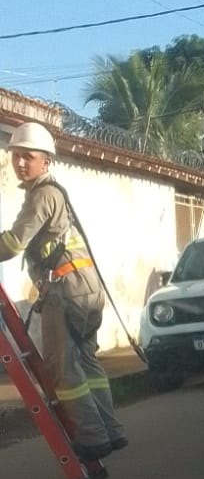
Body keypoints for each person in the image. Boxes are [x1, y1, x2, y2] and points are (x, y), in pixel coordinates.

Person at [0, 122, 127, 460]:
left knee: (63, 368)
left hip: (66, 290)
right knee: (87, 361)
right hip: (86, 288)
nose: (21, 163)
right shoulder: (55, 192)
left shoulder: (43, 194)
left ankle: (92, 437)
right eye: (16, 157)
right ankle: (111, 430)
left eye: (28, 157)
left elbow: (14, 243)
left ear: (46, 161)